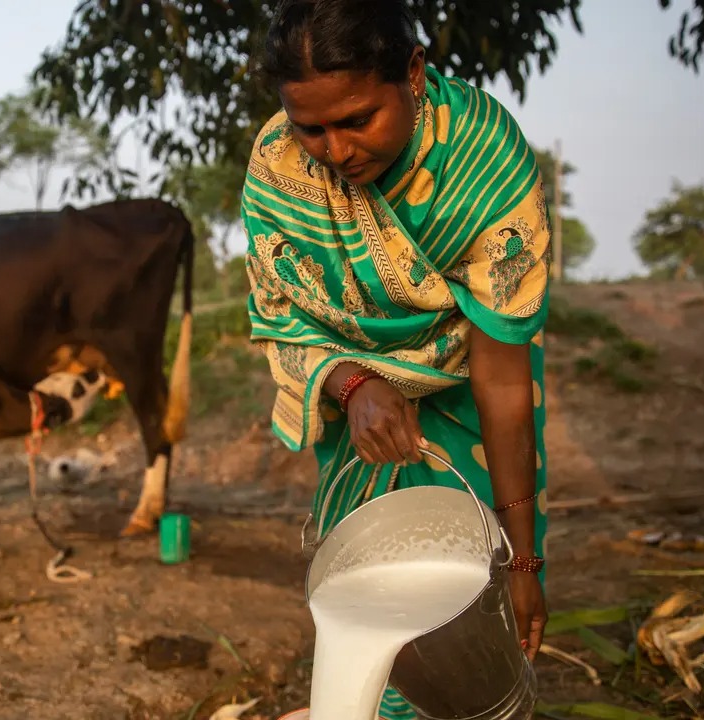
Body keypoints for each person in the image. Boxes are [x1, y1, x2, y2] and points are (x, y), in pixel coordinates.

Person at [242, 0, 552, 717]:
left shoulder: (481, 159)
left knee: (467, 598)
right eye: (310, 126)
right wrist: (352, 384)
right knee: (374, 571)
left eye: (357, 120)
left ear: (411, 73)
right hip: (359, 399)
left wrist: (524, 558)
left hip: (469, 381)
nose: (336, 150)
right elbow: (282, 313)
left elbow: (502, 377)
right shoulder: (277, 166)